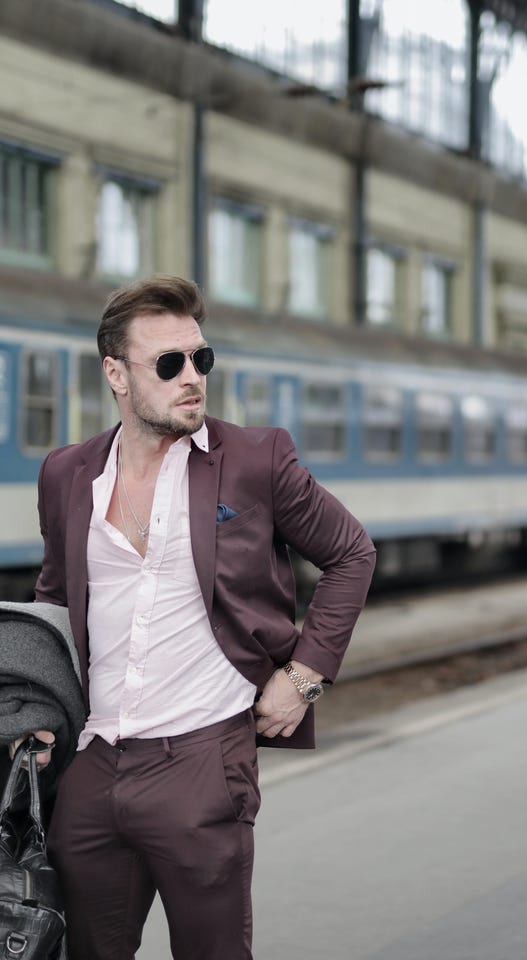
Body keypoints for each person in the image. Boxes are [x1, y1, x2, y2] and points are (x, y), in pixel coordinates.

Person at [12, 275, 376, 960]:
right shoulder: (66, 472)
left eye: (200, 359)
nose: (192, 378)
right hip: (91, 767)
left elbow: (352, 553)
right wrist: (33, 710)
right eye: (169, 363)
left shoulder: (255, 460)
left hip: (202, 759)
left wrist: (303, 676)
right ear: (116, 374)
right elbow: (55, 599)